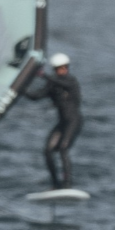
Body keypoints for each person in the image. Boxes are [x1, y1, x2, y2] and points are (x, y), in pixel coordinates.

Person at [23, 52, 83, 190]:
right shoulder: (53, 85)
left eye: (64, 68)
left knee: (63, 148)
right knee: (48, 151)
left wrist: (44, 76)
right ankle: (55, 184)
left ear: (67, 68)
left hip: (74, 121)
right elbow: (36, 96)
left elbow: (62, 83)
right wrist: (21, 89)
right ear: (55, 70)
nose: (62, 71)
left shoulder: (71, 81)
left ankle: (67, 183)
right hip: (62, 123)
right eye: (58, 69)